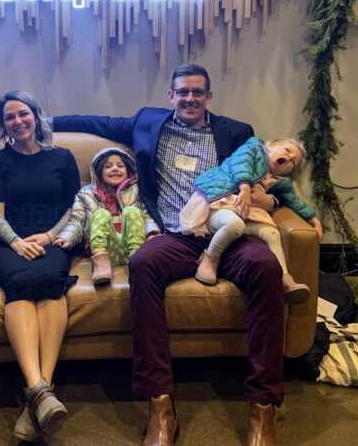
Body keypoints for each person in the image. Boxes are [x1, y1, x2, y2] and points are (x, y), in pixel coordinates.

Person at [52, 64, 285, 446]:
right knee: (144, 265)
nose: (189, 99)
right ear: (170, 96)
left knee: (265, 267)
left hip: (225, 227)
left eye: (197, 92)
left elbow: (258, 172)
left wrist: (263, 194)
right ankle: (160, 404)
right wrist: (45, 119)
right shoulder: (148, 122)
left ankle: (262, 407)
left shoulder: (236, 131)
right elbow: (100, 122)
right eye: (183, 92)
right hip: (175, 233)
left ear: (209, 96)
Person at [0, 91, 81, 442]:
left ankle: (37, 394)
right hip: (5, 243)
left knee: (50, 280)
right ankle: (42, 393)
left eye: (23, 114)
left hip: (50, 240)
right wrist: (16, 242)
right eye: (9, 117)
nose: (18, 121)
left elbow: (75, 207)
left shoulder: (63, 158)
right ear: (3, 124)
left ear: (36, 117)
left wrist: (51, 236)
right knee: (21, 280)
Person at [180, 136, 323, 301]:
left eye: (293, 162)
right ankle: (209, 258)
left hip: (243, 212)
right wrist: (245, 186)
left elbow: (295, 202)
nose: (289, 158)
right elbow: (241, 163)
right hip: (219, 204)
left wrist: (314, 220)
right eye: (287, 150)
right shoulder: (253, 148)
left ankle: (285, 278)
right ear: (272, 145)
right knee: (234, 224)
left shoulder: (278, 183)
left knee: (271, 232)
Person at [53, 146, 159, 285]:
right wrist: (66, 238)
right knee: (100, 213)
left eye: (120, 166)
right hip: (104, 248)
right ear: (98, 172)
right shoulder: (86, 194)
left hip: (132, 247)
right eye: (108, 166)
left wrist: (152, 232)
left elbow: (145, 215)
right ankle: (101, 264)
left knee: (132, 211)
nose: (115, 169)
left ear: (129, 171)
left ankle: (137, 260)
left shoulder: (136, 191)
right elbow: (76, 221)